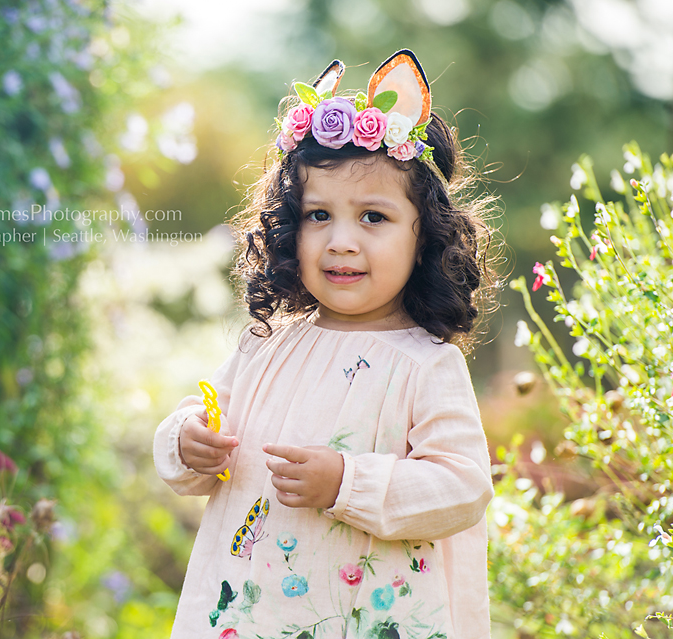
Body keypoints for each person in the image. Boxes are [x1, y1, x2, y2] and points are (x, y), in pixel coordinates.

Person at [153, 50, 500, 639]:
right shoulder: (265, 345)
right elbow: (204, 415)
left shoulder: (425, 365)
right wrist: (188, 442)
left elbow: (463, 488)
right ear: (289, 226)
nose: (340, 241)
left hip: (368, 615)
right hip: (251, 611)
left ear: (426, 238)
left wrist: (348, 482)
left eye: (372, 217)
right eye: (318, 215)